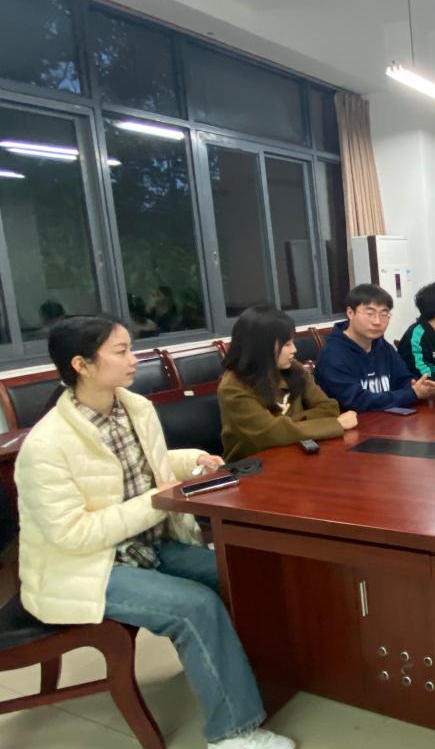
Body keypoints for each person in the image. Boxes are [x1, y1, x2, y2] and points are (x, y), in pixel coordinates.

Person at [14, 315, 295, 749]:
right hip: (86, 568)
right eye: (121, 351)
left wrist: (193, 460)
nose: (134, 359)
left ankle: (250, 672)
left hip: (145, 545)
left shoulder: (132, 407)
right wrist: (156, 501)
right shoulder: (46, 445)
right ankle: (233, 733)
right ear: (81, 365)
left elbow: (148, 464)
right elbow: (74, 536)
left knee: (238, 570)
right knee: (195, 605)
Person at [218, 305, 358, 461]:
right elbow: (270, 434)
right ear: (262, 347)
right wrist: (334, 425)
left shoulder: (293, 368)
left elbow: (329, 408)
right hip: (253, 466)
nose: (294, 350)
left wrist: (286, 427)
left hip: (297, 455)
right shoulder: (233, 387)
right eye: (287, 344)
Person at [315, 283, 435, 412]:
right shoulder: (332, 354)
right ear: (350, 313)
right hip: (353, 422)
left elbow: (403, 379)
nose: (377, 322)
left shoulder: (383, 346)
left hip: (387, 418)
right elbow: (356, 401)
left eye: (384, 314)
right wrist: (411, 394)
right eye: (370, 313)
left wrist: (418, 387)